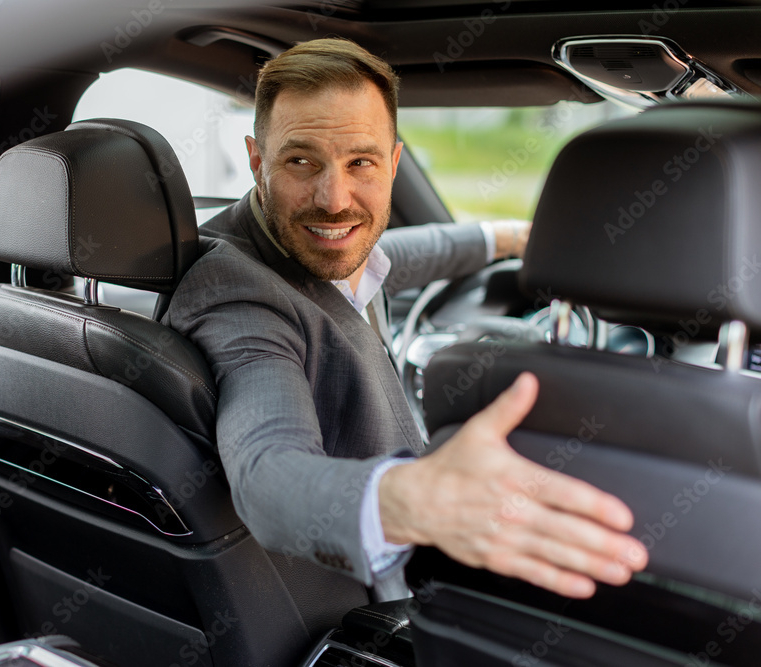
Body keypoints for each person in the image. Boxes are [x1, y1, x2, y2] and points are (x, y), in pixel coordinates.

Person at [164, 38, 647, 600]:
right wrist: (420, 500)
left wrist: (506, 237)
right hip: (385, 605)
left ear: (393, 162)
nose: (334, 198)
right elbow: (267, 477)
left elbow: (394, 256)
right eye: (301, 161)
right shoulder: (237, 296)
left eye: (360, 163)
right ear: (256, 160)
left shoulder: (313, 242)